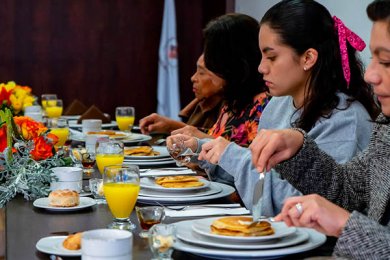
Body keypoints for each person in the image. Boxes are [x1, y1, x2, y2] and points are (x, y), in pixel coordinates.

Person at [172, 0, 378, 208]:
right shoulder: (278, 104)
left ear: (308, 58)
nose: (261, 67)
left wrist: (233, 156)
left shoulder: (344, 120)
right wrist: (206, 151)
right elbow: (259, 180)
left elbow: (306, 210)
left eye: (271, 57)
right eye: (262, 56)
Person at [246, 0, 390, 258]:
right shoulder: (387, 129)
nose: (371, 75)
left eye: (387, 62)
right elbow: (348, 190)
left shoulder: (349, 116)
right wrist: (300, 149)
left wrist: (346, 225)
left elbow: (345, 216)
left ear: (309, 58)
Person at [169, 13, 270, 187]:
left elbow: (254, 172)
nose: (209, 62)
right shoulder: (232, 102)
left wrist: (200, 144)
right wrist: (189, 145)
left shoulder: (262, 104)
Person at [139, 54, 224, 136]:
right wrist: (169, 125)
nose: (193, 78)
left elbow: (220, 142)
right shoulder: (204, 103)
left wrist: (170, 125)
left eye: (201, 72)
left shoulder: (232, 109)